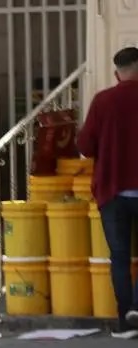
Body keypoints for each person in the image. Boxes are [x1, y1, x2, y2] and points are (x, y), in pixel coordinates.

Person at [77, 46, 138, 331]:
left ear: (117, 73)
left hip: (112, 192)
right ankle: (137, 307)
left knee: (120, 258)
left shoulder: (103, 101)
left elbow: (85, 147)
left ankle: (125, 320)